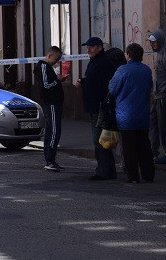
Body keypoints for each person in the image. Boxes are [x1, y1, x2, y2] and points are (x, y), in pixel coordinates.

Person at [109, 43, 155, 183]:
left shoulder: (123, 70)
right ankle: (148, 174)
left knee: (129, 147)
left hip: (126, 115)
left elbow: (112, 89)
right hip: (143, 113)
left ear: (128, 55)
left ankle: (133, 176)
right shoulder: (146, 70)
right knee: (144, 145)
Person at [77, 37, 118, 181]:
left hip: (100, 107)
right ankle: (108, 170)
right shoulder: (94, 61)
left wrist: (102, 104)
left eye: (92, 46)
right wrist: (83, 81)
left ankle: (103, 171)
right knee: (102, 139)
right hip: (95, 106)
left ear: (100, 47)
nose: (88, 49)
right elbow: (93, 80)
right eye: (87, 46)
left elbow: (104, 86)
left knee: (99, 140)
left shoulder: (103, 62)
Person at [38, 46, 68, 172]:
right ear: (49, 56)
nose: (57, 62)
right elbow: (45, 85)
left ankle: (50, 159)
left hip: (54, 102)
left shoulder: (47, 67)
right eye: (56, 59)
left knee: (51, 130)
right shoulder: (43, 66)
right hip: (51, 103)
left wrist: (57, 80)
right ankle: (50, 160)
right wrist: (58, 80)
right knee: (55, 131)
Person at [148, 30, 166, 163]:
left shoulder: (164, 55)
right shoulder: (158, 54)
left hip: (163, 96)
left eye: (154, 42)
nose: (152, 44)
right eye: (151, 42)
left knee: (163, 125)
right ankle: (153, 151)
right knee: (153, 123)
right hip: (157, 95)